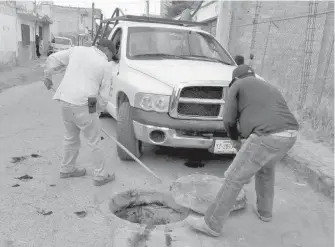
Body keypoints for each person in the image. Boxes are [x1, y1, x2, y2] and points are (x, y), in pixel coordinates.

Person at [186, 64, 299, 237]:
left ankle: (212, 224)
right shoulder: (268, 86)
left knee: (234, 178)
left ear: (236, 79)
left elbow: (229, 119)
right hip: (290, 135)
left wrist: (235, 140)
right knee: (266, 170)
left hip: (266, 136)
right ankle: (265, 212)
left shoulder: (237, 85)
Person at [43, 39, 116, 186]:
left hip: (65, 100)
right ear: (107, 50)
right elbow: (103, 97)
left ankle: (67, 168)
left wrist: (47, 76)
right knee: (94, 140)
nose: (110, 58)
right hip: (85, 102)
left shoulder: (77, 50)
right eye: (111, 55)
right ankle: (100, 175)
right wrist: (96, 112)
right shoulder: (106, 65)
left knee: (70, 136)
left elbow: (52, 58)